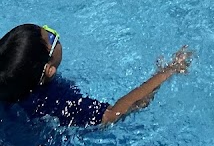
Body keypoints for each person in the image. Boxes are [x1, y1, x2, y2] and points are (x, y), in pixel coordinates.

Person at [0, 23, 192, 128]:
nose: (54, 33)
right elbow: (112, 114)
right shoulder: (58, 102)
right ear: (48, 70)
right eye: (51, 37)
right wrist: (167, 72)